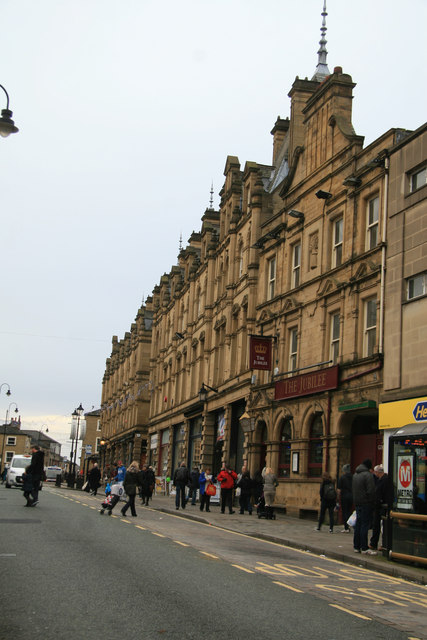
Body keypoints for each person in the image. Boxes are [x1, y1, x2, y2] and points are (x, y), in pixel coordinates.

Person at [352, 458, 376, 554]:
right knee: (365, 525)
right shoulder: (368, 475)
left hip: (357, 503)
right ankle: (364, 547)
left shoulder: (355, 475)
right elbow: (371, 491)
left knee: (358, 524)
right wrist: (372, 501)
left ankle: (356, 546)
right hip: (366, 503)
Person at [369, 464, 394, 551]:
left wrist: (377, 502)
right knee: (380, 525)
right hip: (381, 505)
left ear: (377, 472)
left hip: (381, 506)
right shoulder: (385, 479)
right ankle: (377, 543)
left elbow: (380, 493)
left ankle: (379, 544)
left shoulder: (383, 480)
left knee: (381, 525)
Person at [337, 463, 353, 533]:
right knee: (349, 511)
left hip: (344, 496)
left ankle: (346, 527)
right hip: (351, 496)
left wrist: (338, 498)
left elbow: (339, 489)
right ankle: (350, 524)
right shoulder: (353, 477)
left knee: (344, 511)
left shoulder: (342, 478)